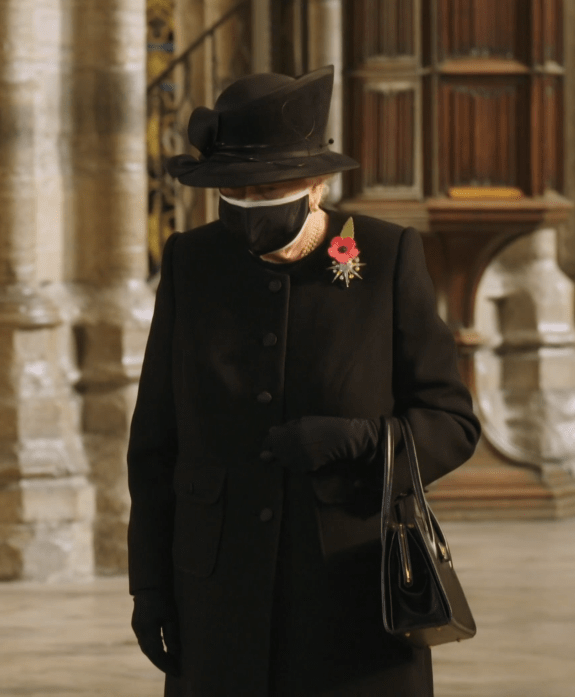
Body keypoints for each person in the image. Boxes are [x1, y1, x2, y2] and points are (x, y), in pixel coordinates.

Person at [127, 64, 480, 697]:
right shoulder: (192, 262)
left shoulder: (385, 258)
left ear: (315, 185)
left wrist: (360, 441)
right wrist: (150, 585)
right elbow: (156, 442)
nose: (251, 211)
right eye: (235, 197)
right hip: (218, 596)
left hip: (353, 598)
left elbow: (452, 423)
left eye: (268, 194)